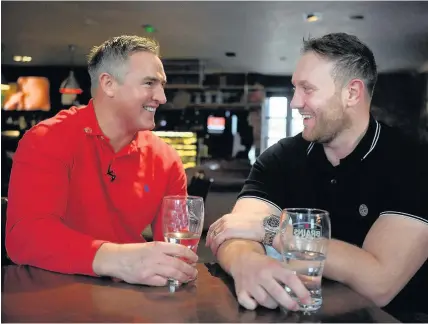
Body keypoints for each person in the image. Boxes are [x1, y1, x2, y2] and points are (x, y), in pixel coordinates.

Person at [206, 33, 428, 321]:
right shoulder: (280, 158)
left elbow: (380, 283)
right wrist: (245, 261)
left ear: (352, 93)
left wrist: (273, 230)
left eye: (307, 89)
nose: (295, 103)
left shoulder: (413, 162)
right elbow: (234, 230)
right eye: (295, 88)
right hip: (296, 312)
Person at [6, 35, 198, 286]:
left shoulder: (167, 159)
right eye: (149, 83)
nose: (162, 97)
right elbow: (25, 238)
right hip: (52, 293)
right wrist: (121, 260)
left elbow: (176, 250)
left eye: (161, 85)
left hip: (131, 298)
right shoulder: (46, 139)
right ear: (108, 84)